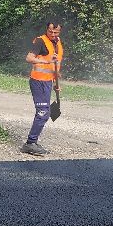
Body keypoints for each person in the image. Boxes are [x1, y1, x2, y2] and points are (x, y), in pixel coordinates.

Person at [21, 21, 64, 156]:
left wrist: (56, 84)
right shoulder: (40, 41)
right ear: (47, 29)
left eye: (55, 32)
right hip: (37, 81)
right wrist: (46, 61)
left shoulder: (57, 42)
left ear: (59, 32)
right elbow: (29, 58)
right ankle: (30, 143)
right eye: (50, 31)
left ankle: (32, 142)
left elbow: (55, 66)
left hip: (48, 82)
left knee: (46, 112)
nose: (52, 34)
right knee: (43, 112)